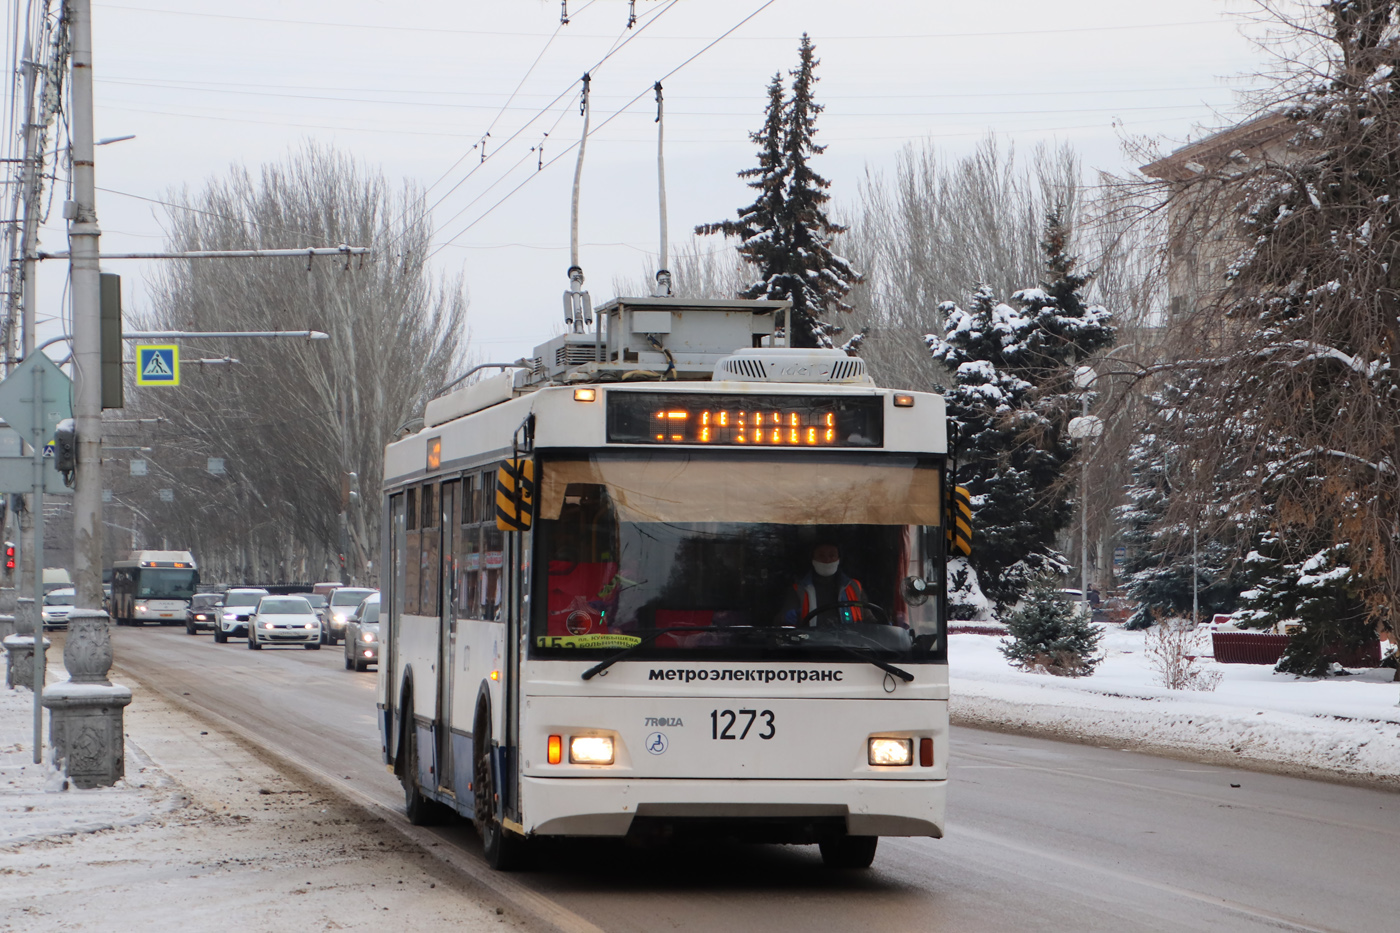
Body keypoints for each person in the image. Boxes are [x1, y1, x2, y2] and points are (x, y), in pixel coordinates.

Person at [777, 544, 867, 626]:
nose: (827, 560)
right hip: (812, 642)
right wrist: (786, 619)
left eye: (832, 555)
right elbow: (782, 621)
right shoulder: (799, 589)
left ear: (839, 559)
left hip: (851, 641)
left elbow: (869, 618)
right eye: (821, 556)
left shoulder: (855, 586)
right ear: (813, 559)